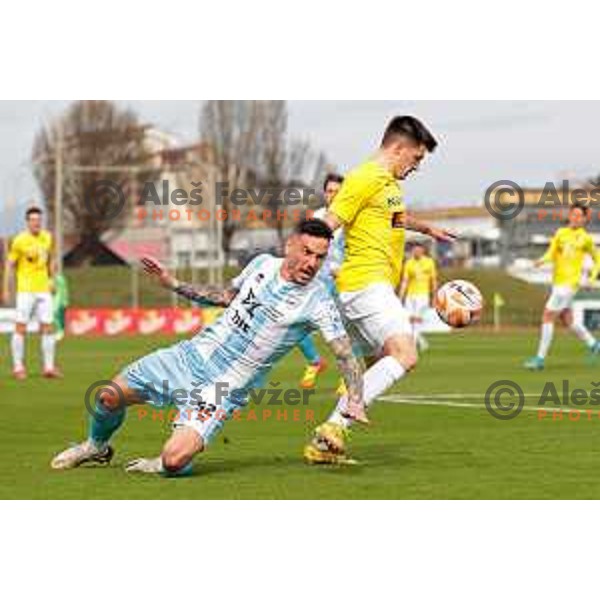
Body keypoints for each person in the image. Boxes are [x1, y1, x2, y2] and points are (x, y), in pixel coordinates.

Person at [51, 219, 367, 476]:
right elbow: (224, 296)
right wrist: (173, 283)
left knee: (174, 461)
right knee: (107, 396)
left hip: (221, 388)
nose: (312, 263)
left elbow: (344, 352)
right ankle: (95, 446)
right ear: (290, 246)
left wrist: (354, 399)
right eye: (307, 252)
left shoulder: (320, 299)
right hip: (188, 357)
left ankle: (164, 463)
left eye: (320, 257)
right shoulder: (262, 264)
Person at [303, 115, 454, 465]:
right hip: (365, 285)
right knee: (405, 355)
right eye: (416, 158)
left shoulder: (388, 184)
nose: (417, 167)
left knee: (375, 365)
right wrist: (302, 263)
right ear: (398, 148)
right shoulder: (365, 177)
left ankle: (325, 443)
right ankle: (333, 427)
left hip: (359, 290)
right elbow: (329, 222)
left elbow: (395, 218)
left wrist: (427, 229)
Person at [524, 203, 600, 371]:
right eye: (573, 214)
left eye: (580, 215)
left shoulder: (585, 238)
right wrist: (542, 260)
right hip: (557, 283)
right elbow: (551, 252)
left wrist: (592, 278)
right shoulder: (560, 233)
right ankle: (594, 344)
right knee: (567, 319)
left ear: (585, 219)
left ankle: (539, 359)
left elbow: (598, 259)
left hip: (569, 284)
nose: (575, 218)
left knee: (547, 316)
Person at [2, 206, 61, 379]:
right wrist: (5, 288)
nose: (36, 223)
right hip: (25, 290)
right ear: (27, 222)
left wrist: (52, 278)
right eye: (33, 220)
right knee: (21, 327)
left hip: (43, 289)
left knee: (48, 327)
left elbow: (51, 259)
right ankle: (18, 367)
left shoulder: (47, 237)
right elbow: (9, 265)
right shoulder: (19, 240)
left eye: (38, 220)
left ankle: (49, 368)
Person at [298, 173, 345, 389]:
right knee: (297, 323)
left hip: (344, 281)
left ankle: (347, 376)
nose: (332, 195)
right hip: (319, 281)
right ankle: (315, 361)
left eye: (337, 191)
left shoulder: (350, 217)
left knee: (346, 330)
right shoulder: (318, 217)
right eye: (329, 191)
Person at [400, 242, 438, 352]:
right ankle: (422, 342)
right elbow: (405, 281)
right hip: (410, 295)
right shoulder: (408, 263)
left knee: (416, 320)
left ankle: (412, 345)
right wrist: (401, 296)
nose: (416, 252)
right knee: (408, 320)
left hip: (423, 295)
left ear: (423, 251)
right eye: (414, 250)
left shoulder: (429, 262)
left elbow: (433, 280)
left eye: (418, 250)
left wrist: (434, 296)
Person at [53, 272, 69, 341]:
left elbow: (54, 290)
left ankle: (60, 332)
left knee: (59, 316)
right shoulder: (61, 278)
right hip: (62, 300)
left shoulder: (58, 279)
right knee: (59, 316)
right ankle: (59, 332)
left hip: (60, 301)